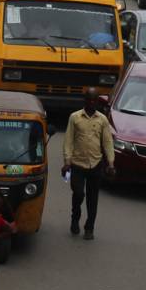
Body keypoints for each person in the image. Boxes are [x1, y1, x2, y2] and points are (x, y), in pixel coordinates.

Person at [62, 88, 115, 240]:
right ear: (84, 101)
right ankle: (75, 217)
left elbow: (107, 143)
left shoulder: (102, 120)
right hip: (77, 164)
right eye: (89, 100)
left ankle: (89, 227)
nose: (92, 103)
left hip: (95, 164)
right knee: (78, 193)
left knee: (93, 199)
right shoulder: (75, 117)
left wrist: (110, 163)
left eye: (94, 100)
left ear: (97, 102)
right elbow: (68, 141)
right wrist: (67, 161)